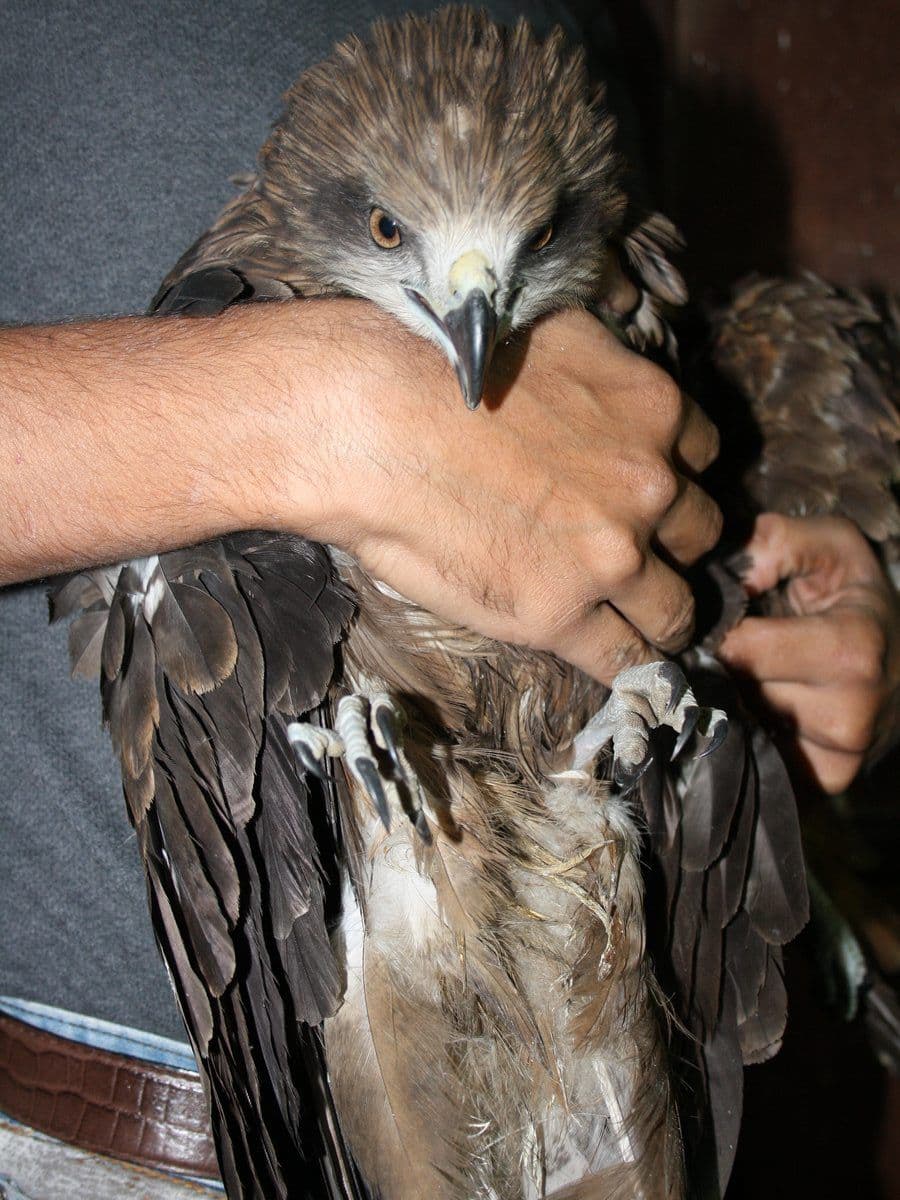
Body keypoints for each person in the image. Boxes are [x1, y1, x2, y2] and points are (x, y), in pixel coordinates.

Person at [0, 1, 895, 1195]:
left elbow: (594, 463)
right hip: (93, 1125)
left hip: (625, 1055)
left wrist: (785, 621)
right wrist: (319, 415)